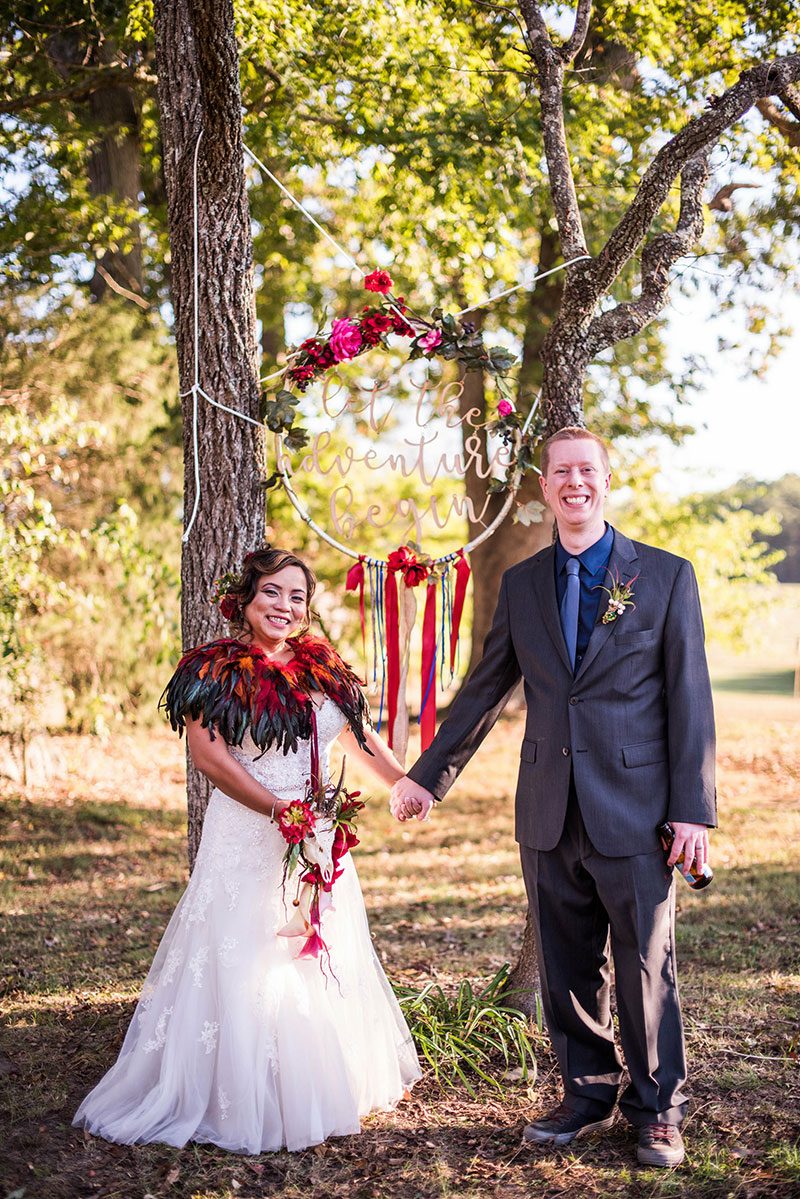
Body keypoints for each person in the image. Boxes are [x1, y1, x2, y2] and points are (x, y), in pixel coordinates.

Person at [391, 427, 716, 1169]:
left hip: (637, 809)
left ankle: (659, 1110)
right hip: (547, 806)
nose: (575, 483)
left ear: (607, 480)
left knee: (644, 964)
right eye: (561, 472)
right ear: (545, 487)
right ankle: (586, 1090)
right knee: (567, 964)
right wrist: (425, 775)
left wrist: (693, 809)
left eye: (587, 470)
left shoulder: (666, 577)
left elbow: (691, 699)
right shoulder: (525, 584)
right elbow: (484, 690)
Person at [74, 546, 420, 1154]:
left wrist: (404, 782)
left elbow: (360, 737)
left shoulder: (323, 669)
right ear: (246, 599)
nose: (284, 606)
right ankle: (235, 1088)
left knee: (315, 949)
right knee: (244, 949)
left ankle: (316, 1079)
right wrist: (276, 810)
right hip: (247, 831)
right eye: (272, 593)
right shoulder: (212, 670)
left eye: (296, 596)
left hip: (315, 835)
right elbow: (210, 758)